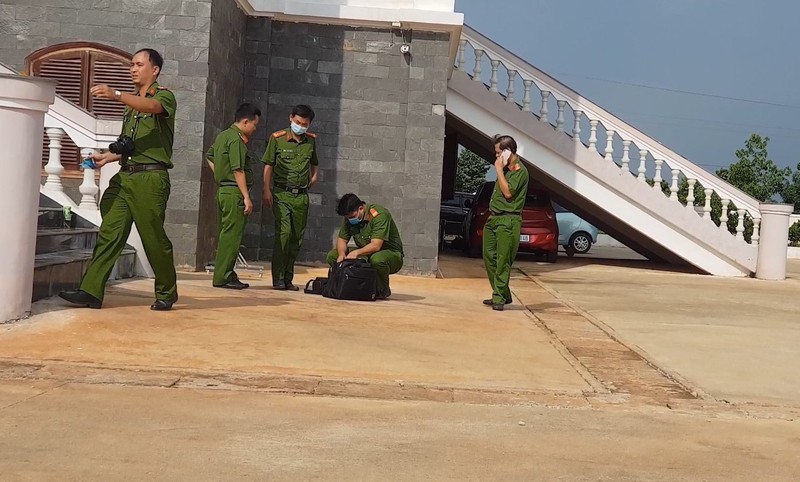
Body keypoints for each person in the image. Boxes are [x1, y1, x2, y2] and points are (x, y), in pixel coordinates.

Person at [59, 48, 178, 311]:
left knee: (153, 238)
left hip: (150, 179)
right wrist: (107, 157)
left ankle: (166, 292)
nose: (133, 69)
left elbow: (154, 107)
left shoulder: (163, 96)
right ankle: (91, 290)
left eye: (139, 64)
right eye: (131, 65)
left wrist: (115, 94)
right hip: (126, 177)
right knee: (110, 233)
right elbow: (131, 145)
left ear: (154, 70)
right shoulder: (132, 106)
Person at [262, 104, 319, 291]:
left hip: (301, 197)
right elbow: (268, 165)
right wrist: (266, 189)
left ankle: (288, 278)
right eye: (297, 122)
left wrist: (314, 175)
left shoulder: (311, 141)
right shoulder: (277, 139)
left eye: (304, 124)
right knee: (284, 235)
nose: (300, 126)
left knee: (296, 239)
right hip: (281, 194)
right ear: (290, 118)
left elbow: (314, 162)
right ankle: (277, 278)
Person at [206, 103, 261, 289]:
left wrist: (219, 174)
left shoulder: (223, 136)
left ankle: (227, 273)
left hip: (223, 190)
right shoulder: (237, 140)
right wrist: (246, 196)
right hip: (233, 192)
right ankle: (223, 277)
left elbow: (210, 156)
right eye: (254, 125)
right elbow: (238, 170)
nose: (254, 129)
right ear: (246, 121)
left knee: (225, 235)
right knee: (232, 236)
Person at [482, 135, 529, 311]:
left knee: (503, 260)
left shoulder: (518, 170)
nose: (497, 157)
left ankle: (499, 297)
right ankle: (503, 292)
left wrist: (499, 171)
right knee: (489, 257)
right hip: (494, 218)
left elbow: (508, 193)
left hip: (508, 219)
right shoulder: (506, 168)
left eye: (499, 152)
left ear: (508, 151)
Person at [327, 193, 403, 299]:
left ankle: (382, 290)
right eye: (348, 217)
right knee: (332, 256)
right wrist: (341, 254)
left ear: (361, 208)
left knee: (377, 259)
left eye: (352, 217)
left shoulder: (379, 215)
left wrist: (357, 253)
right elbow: (342, 240)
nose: (350, 220)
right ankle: (351, 285)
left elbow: (376, 245)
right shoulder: (349, 216)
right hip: (366, 253)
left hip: (389, 255)